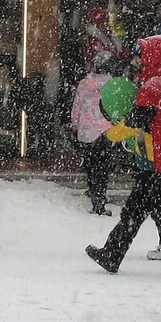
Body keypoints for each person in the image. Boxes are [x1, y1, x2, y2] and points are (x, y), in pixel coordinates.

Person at [87, 35, 161, 280]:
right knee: (138, 209)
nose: (136, 59)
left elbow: (136, 121)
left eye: (141, 54)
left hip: (158, 160)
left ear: (151, 56)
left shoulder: (152, 87)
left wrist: (110, 136)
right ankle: (113, 253)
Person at [71, 53, 114, 215]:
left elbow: (77, 105)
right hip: (106, 131)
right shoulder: (112, 84)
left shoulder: (83, 84)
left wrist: (75, 124)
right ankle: (100, 200)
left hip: (86, 130)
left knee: (91, 163)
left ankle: (92, 188)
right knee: (102, 166)